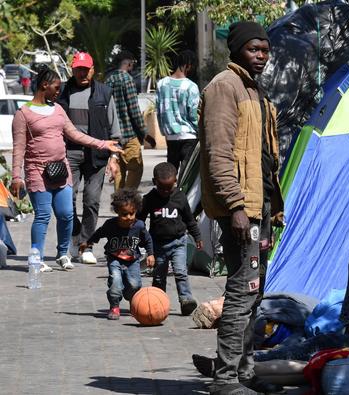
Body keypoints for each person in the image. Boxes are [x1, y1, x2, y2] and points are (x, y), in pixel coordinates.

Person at [198, 21, 284, 395]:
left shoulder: (255, 89)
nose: (261, 56)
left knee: (255, 292)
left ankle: (245, 373)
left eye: (265, 50)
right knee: (241, 292)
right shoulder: (224, 87)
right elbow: (218, 154)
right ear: (236, 51)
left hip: (259, 203)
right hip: (240, 207)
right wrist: (234, 205)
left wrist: (272, 205)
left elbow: (262, 155)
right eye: (254, 50)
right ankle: (225, 380)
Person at [11, 68, 122, 271]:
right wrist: (16, 177)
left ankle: (63, 254)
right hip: (37, 171)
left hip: (61, 170)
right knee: (43, 215)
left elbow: (75, 134)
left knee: (65, 214)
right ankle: (36, 258)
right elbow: (18, 148)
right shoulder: (23, 113)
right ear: (44, 85)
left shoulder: (58, 110)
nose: (58, 92)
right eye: (56, 87)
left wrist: (103, 144)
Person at [57, 52, 121, 265]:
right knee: (67, 201)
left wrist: (113, 158)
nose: (82, 73)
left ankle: (86, 245)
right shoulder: (62, 92)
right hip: (69, 153)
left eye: (86, 69)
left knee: (92, 201)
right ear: (72, 70)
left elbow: (114, 127)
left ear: (93, 70)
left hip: (97, 154)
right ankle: (75, 234)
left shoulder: (104, 92)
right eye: (78, 69)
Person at [138, 162, 202, 316]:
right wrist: (141, 238)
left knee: (180, 272)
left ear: (176, 181)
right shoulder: (149, 199)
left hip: (178, 242)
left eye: (169, 188)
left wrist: (197, 235)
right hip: (158, 244)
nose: (166, 192)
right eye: (162, 188)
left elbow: (189, 219)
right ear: (154, 182)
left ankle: (186, 300)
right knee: (159, 276)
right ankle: (158, 302)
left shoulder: (180, 197)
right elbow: (140, 220)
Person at [80, 189, 154, 320]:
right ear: (117, 212)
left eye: (132, 213)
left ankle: (133, 301)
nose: (129, 217)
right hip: (115, 260)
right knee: (115, 283)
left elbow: (148, 240)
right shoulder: (110, 225)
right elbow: (99, 233)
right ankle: (114, 306)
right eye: (124, 214)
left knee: (135, 284)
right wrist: (88, 243)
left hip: (133, 261)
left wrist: (150, 254)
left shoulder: (139, 226)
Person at [106, 50, 152, 190]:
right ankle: (128, 199)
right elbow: (134, 110)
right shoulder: (127, 80)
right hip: (129, 134)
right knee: (136, 169)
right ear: (128, 63)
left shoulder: (108, 80)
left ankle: (120, 204)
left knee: (119, 170)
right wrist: (145, 133)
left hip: (113, 135)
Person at [156, 50, 199, 173]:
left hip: (170, 137)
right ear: (188, 65)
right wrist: (199, 131)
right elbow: (193, 114)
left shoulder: (161, 84)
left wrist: (164, 131)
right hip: (188, 135)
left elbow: (159, 111)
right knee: (186, 175)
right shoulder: (191, 86)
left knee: (171, 173)